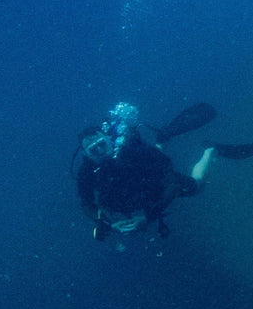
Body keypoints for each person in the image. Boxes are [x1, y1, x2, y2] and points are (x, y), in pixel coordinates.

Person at [73, 103, 213, 241]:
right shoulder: (86, 171)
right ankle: (160, 142)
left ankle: (210, 150)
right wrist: (108, 225)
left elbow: (172, 184)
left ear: (109, 139)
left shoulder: (134, 150)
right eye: (93, 149)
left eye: (101, 144)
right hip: (130, 197)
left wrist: (148, 217)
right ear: (86, 154)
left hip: (156, 183)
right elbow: (87, 203)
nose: (100, 151)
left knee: (197, 186)